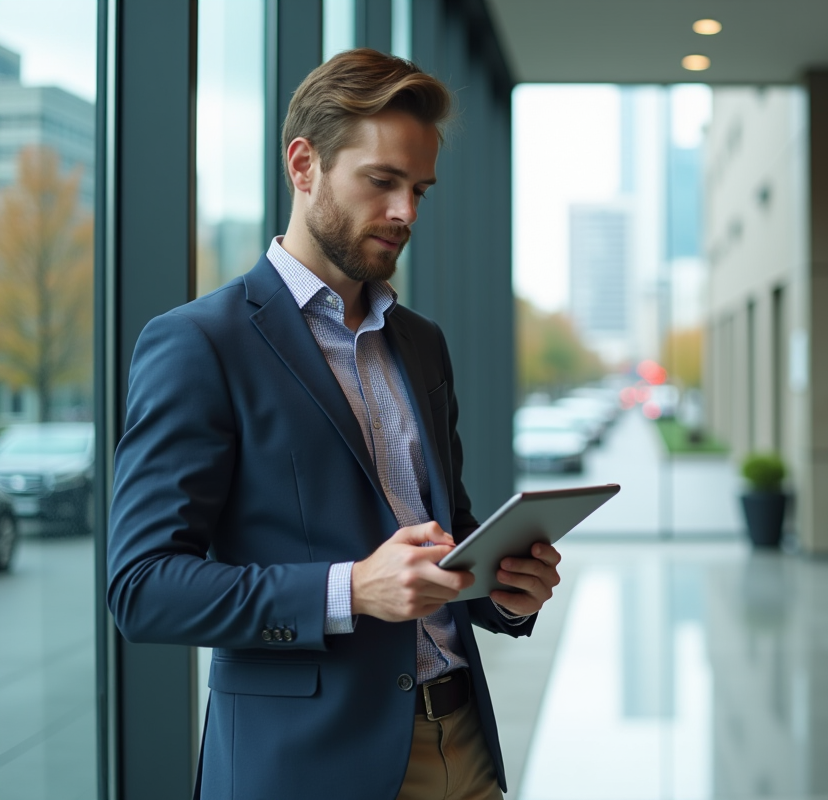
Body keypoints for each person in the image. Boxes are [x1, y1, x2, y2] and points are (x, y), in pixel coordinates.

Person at [106, 48, 560, 800]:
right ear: (303, 164)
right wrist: (348, 589)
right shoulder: (199, 342)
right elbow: (143, 587)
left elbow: (445, 533)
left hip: (465, 745)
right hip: (306, 768)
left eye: (419, 189)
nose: (406, 212)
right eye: (381, 181)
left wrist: (505, 590)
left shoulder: (422, 343)